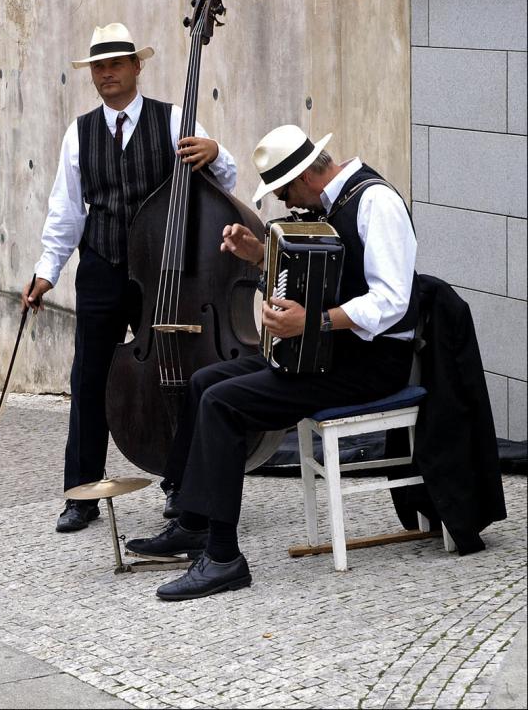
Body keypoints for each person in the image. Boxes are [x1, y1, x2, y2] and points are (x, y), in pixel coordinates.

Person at [125, 124, 419, 600]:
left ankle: (224, 558)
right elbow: (319, 275)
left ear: (305, 177)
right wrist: (262, 258)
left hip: (369, 363)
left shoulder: (374, 202)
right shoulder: (331, 204)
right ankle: (194, 522)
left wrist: (314, 322)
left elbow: (392, 301)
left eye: (282, 191)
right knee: (205, 381)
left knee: (223, 403)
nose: (284, 203)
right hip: (326, 353)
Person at [21, 23, 239, 533]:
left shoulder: (173, 117)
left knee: (174, 371)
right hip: (101, 265)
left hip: (164, 268)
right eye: (99, 65)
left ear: (137, 67)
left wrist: (217, 152)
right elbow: (66, 211)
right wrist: (46, 272)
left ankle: (180, 483)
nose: (107, 73)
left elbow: (222, 182)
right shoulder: (80, 131)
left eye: (117, 63)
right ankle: (82, 492)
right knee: (88, 378)